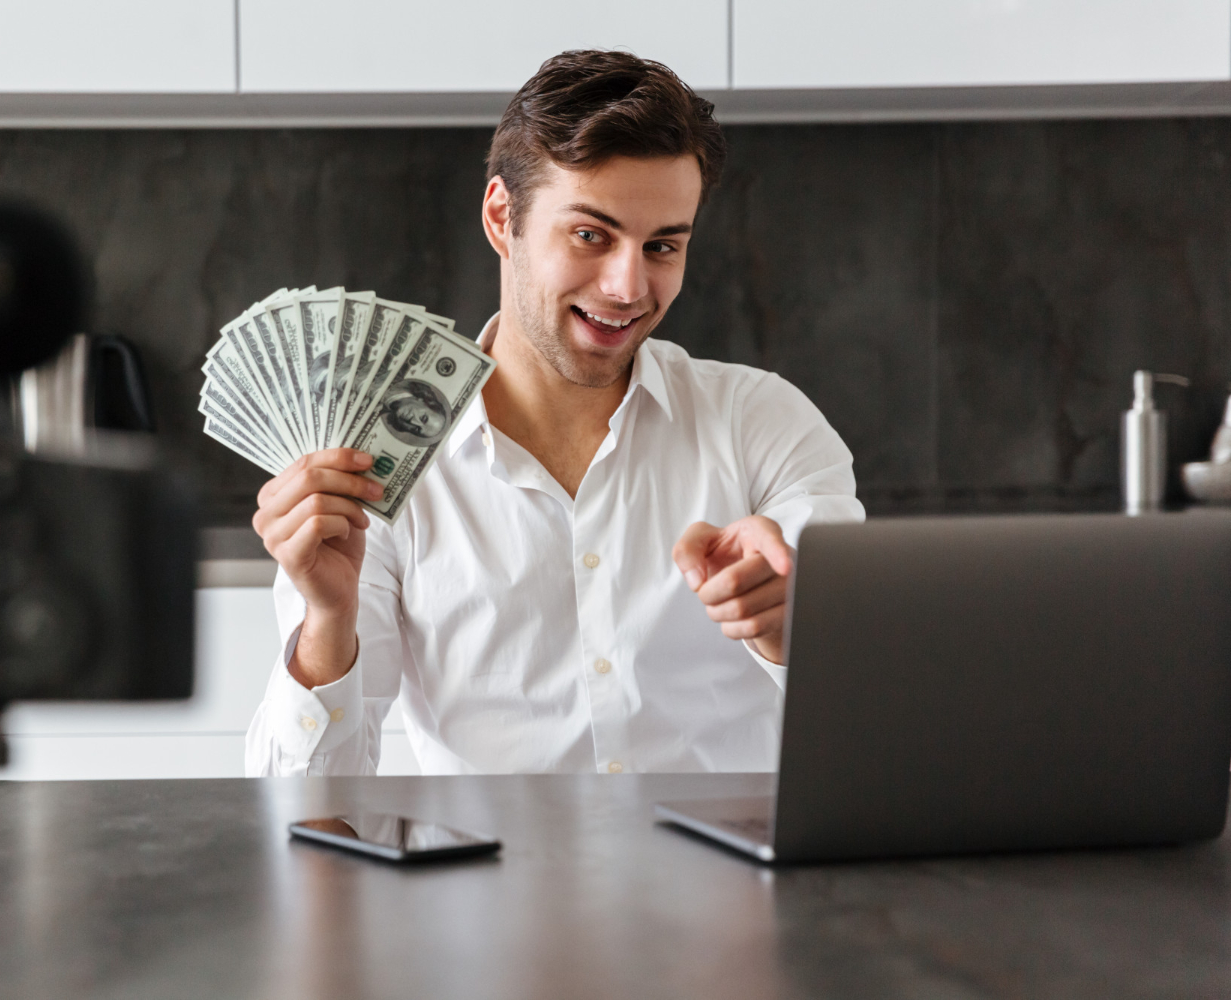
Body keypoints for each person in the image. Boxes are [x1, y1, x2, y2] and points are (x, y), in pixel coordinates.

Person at [246, 50, 863, 776]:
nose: (629, 286)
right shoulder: (377, 466)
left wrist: (795, 631)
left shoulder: (766, 425)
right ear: (503, 217)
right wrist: (328, 621)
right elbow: (301, 804)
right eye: (591, 235)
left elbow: (881, 732)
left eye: (662, 246)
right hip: (490, 884)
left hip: (729, 887)